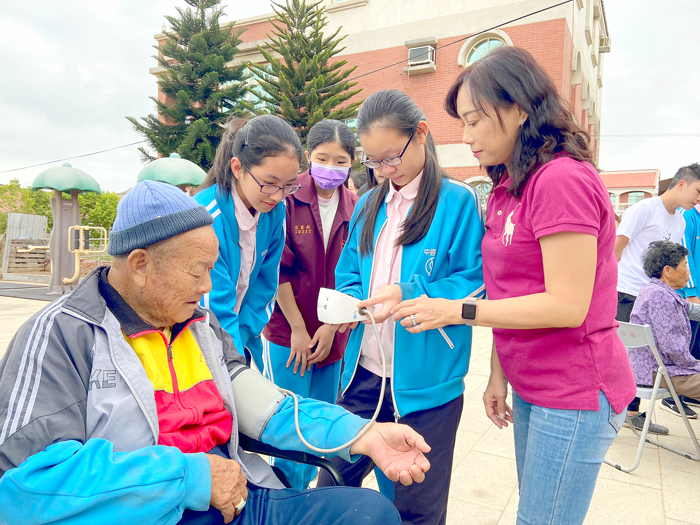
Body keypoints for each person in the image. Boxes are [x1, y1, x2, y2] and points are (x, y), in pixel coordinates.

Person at [0, 180, 432, 525]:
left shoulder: (201, 326)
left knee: (371, 513)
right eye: (198, 271)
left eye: (212, 268)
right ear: (140, 265)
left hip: (237, 498)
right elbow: (26, 487)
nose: (208, 286)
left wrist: (362, 434)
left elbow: (272, 410)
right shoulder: (60, 335)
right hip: (153, 510)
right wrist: (188, 478)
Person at [390, 47, 637, 524]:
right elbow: (511, 289)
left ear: (519, 109)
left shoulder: (560, 179)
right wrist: (499, 373)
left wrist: (456, 309)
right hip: (531, 384)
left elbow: (566, 305)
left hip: (574, 391)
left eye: (476, 120)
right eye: (461, 123)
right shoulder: (508, 187)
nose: (466, 137)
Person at [315, 89, 485, 525]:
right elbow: (350, 266)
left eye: (391, 157)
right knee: (332, 487)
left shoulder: (457, 201)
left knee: (417, 506)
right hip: (364, 373)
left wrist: (407, 291)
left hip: (427, 384)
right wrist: (353, 301)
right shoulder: (370, 203)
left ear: (421, 135)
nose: (383, 170)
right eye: (373, 162)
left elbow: (474, 280)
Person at [262, 119, 359, 489]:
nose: (331, 169)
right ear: (308, 156)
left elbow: (357, 272)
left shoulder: (357, 205)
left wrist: (333, 327)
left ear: (352, 162)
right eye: (322, 158)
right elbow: (278, 269)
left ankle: (311, 505)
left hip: (334, 335)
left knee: (324, 427)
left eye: (340, 161)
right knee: (290, 427)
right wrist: (300, 330)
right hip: (291, 334)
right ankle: (285, 502)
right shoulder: (286, 199)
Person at [194, 115, 299, 373]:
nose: (277, 195)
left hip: (243, 340)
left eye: (287, 186)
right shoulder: (205, 218)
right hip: (201, 340)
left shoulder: (274, 213)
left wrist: (244, 343)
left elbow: (265, 284)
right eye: (269, 183)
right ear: (237, 168)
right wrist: (233, 357)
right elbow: (211, 303)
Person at [615, 163, 700, 423]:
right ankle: (623, 412)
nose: (698, 198)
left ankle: (632, 413)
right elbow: (616, 249)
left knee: (647, 355)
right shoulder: (644, 209)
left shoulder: (679, 220)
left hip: (655, 297)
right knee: (627, 353)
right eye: (698, 191)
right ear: (682, 184)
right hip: (628, 292)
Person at [630, 241, 700, 411]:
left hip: (652, 368)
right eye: (685, 265)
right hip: (658, 371)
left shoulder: (653, 289)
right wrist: (695, 364)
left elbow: (688, 308)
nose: (689, 271)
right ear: (667, 271)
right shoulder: (660, 297)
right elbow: (673, 348)